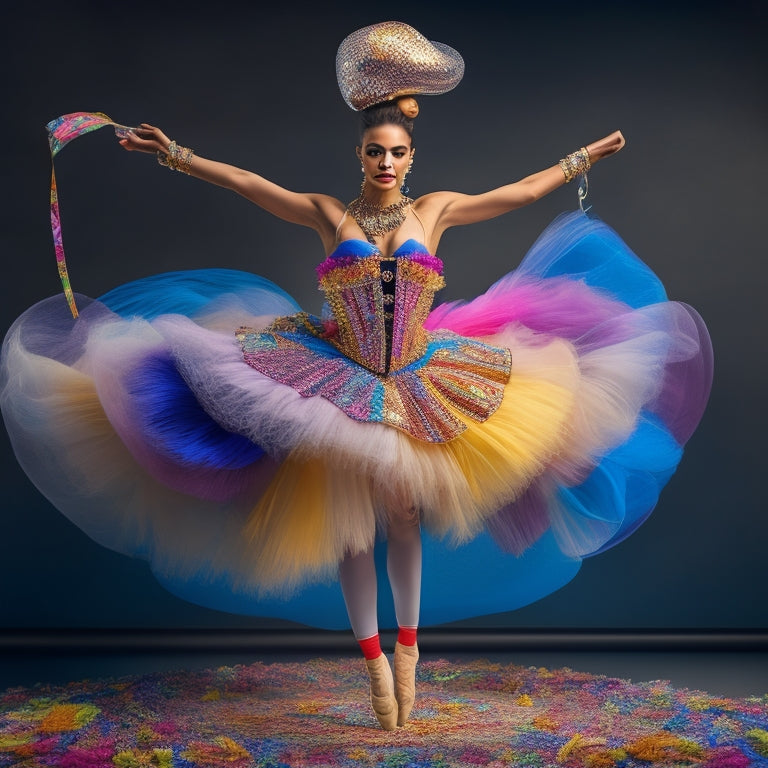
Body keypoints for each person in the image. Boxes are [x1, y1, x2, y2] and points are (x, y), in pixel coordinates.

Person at [0, 22, 712, 731]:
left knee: (403, 518)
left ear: (411, 155)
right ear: (360, 153)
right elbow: (250, 184)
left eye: (397, 153)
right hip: (337, 372)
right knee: (350, 529)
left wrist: (581, 157)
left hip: (421, 370)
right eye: (375, 152)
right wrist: (177, 155)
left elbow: (520, 192)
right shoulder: (328, 214)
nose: (386, 162)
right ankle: (371, 660)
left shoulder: (434, 211)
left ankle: (408, 650)